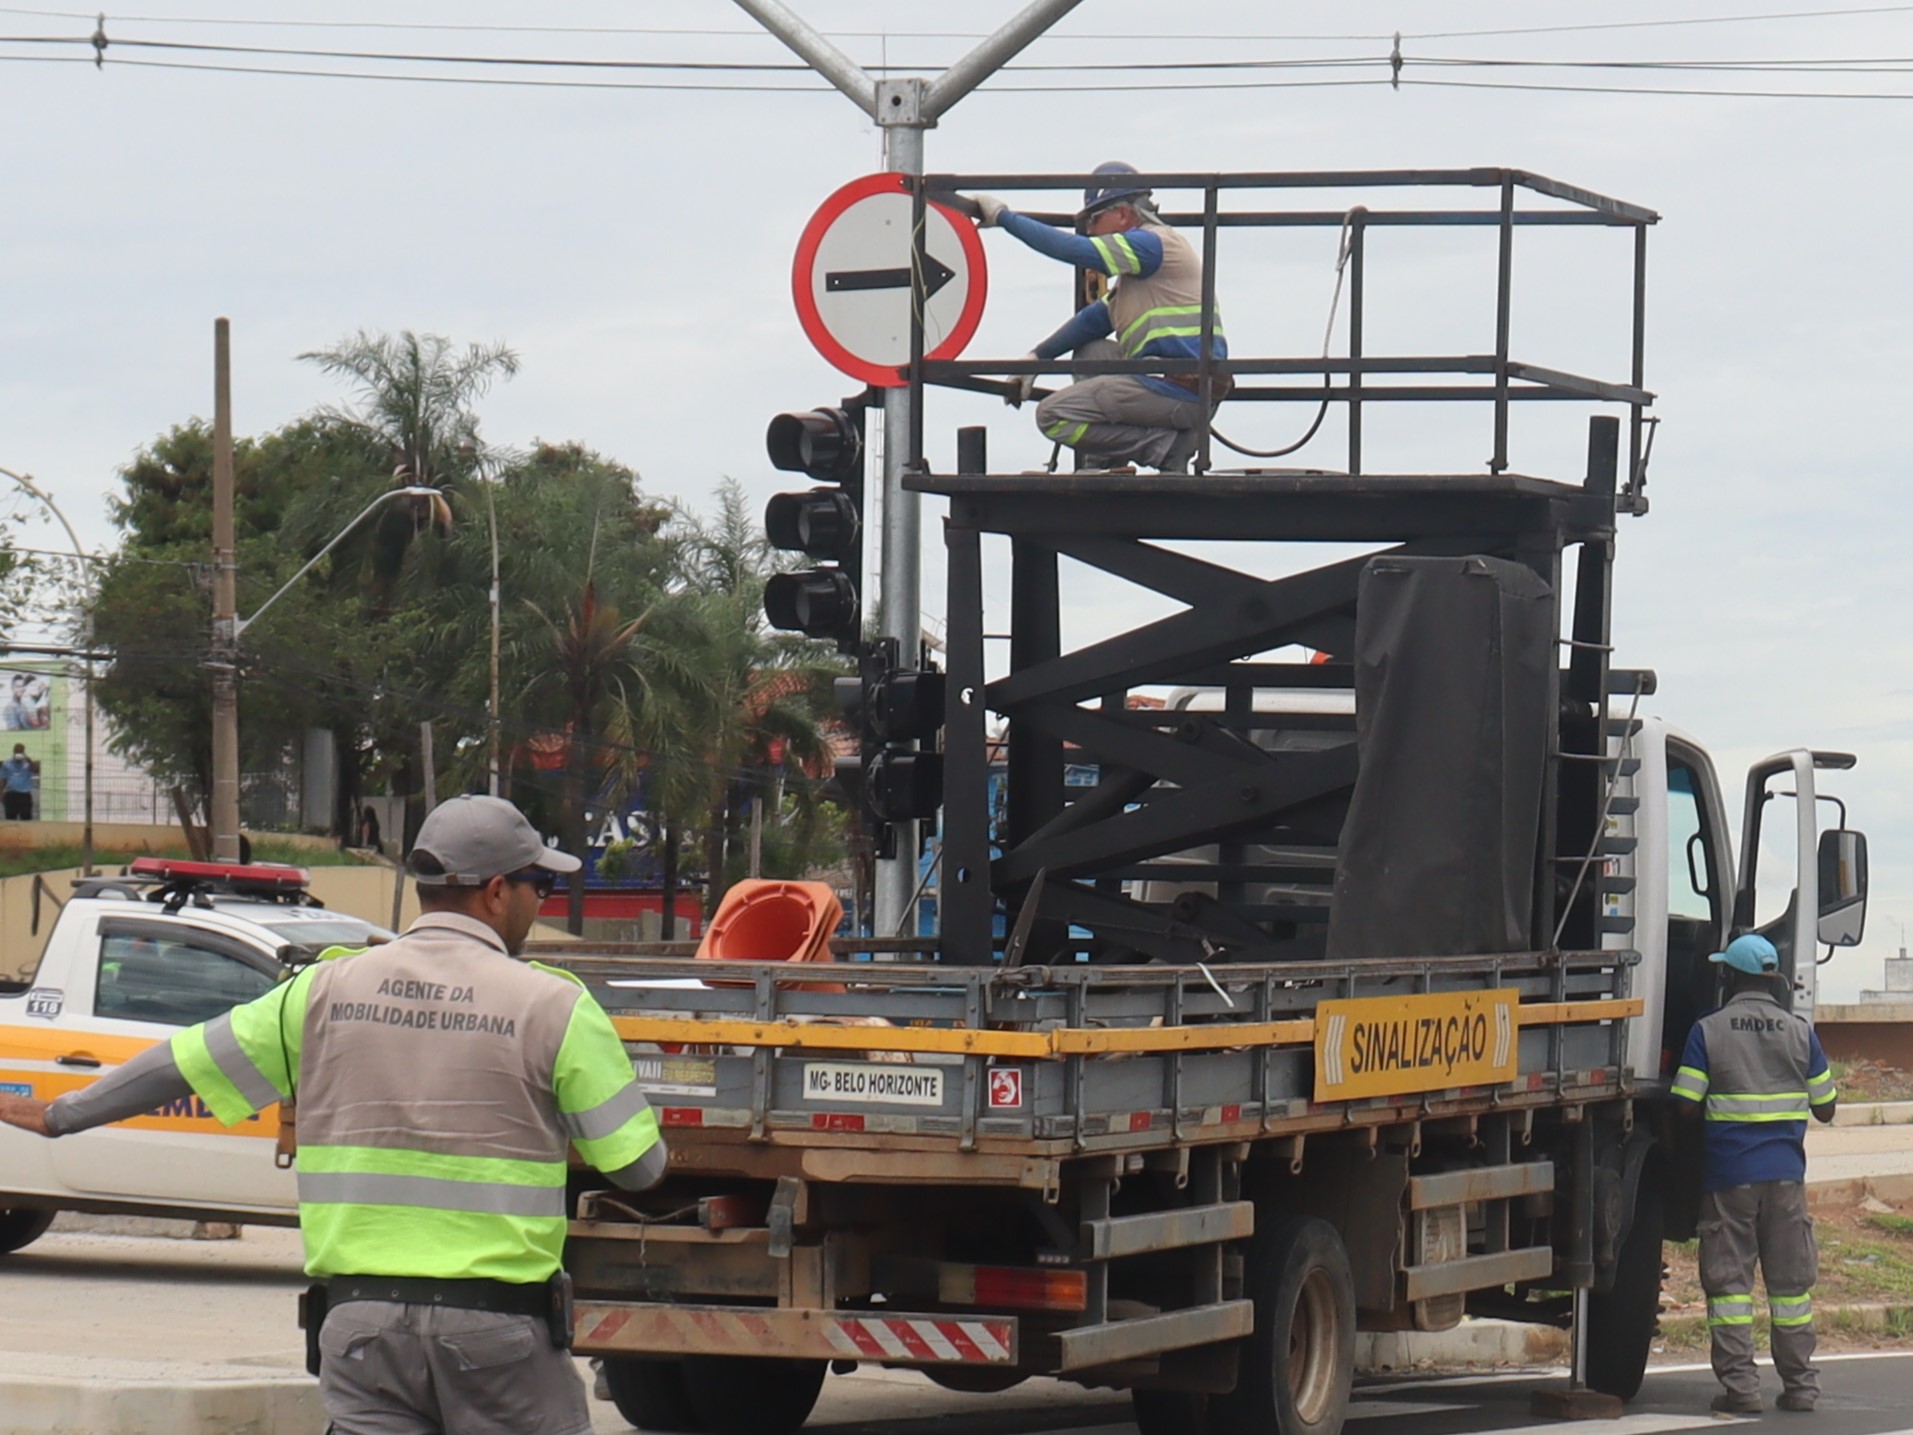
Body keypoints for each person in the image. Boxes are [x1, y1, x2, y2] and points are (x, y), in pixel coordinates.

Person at [0, 794, 666, 1435]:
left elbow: (185, 1062)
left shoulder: (321, 991)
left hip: (359, 1332)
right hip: (498, 1337)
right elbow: (637, 1168)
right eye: (538, 887)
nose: (540, 902)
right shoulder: (554, 1006)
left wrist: (62, 1113)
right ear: (496, 892)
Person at [966, 160, 1229, 474]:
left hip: (1178, 390)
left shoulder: (1151, 244)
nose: (1090, 229)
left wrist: (1004, 218)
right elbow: (1093, 320)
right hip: (1171, 386)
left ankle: (1164, 448)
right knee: (1091, 353)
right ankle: (1108, 461)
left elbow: (1073, 249)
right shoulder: (1140, 273)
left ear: (1123, 214)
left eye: (1094, 218)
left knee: (1052, 416)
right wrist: (1037, 357)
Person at [1671, 933, 1838, 1415]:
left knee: (1730, 1289)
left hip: (1729, 1178)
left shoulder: (1709, 1030)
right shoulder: (1800, 1032)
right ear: (1773, 980)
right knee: (1791, 1291)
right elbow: (1826, 1108)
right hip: (1786, 1179)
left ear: (1729, 976)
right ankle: (1801, 1387)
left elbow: (1684, 1105)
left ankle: (1742, 1389)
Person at [1, 742, 36, 820]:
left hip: (24, 795)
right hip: (10, 794)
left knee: (26, 818)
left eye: (20, 752)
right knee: (10, 818)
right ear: (14, 752)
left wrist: (29, 761)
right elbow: (3, 779)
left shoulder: (27, 763)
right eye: (17, 751)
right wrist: (1, 793)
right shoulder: (7, 763)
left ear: (23, 752)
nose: (18, 754)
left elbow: (34, 770)